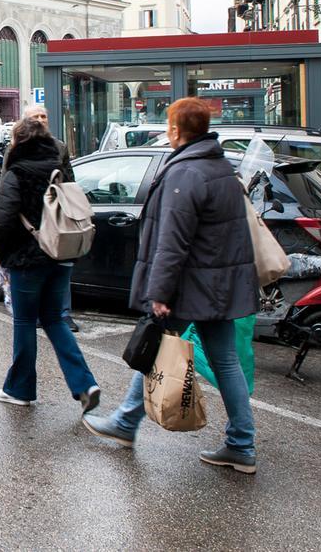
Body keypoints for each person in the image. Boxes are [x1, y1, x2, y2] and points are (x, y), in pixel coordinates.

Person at [83, 98, 259, 474]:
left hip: (190, 286)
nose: (167, 131)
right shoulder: (220, 166)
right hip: (217, 283)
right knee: (225, 363)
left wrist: (160, 292)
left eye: (168, 125)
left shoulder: (186, 173)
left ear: (177, 130)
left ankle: (125, 424)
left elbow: (172, 240)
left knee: (153, 349)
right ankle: (241, 444)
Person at [0, 117, 100, 412]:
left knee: (25, 321)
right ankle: (84, 383)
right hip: (61, 253)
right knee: (55, 320)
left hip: (28, 259)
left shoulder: (16, 172)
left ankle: (20, 389)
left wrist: (1, 253)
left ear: (18, 142)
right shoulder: (59, 168)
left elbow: (3, 218)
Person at [22, 103, 80, 333]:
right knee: (35, 266)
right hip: (30, 219)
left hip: (55, 215)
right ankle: (37, 312)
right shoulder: (17, 148)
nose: (40, 119)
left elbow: (69, 181)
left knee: (61, 262)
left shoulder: (60, 147)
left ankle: (63, 314)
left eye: (43, 115)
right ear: (25, 121)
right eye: (35, 116)